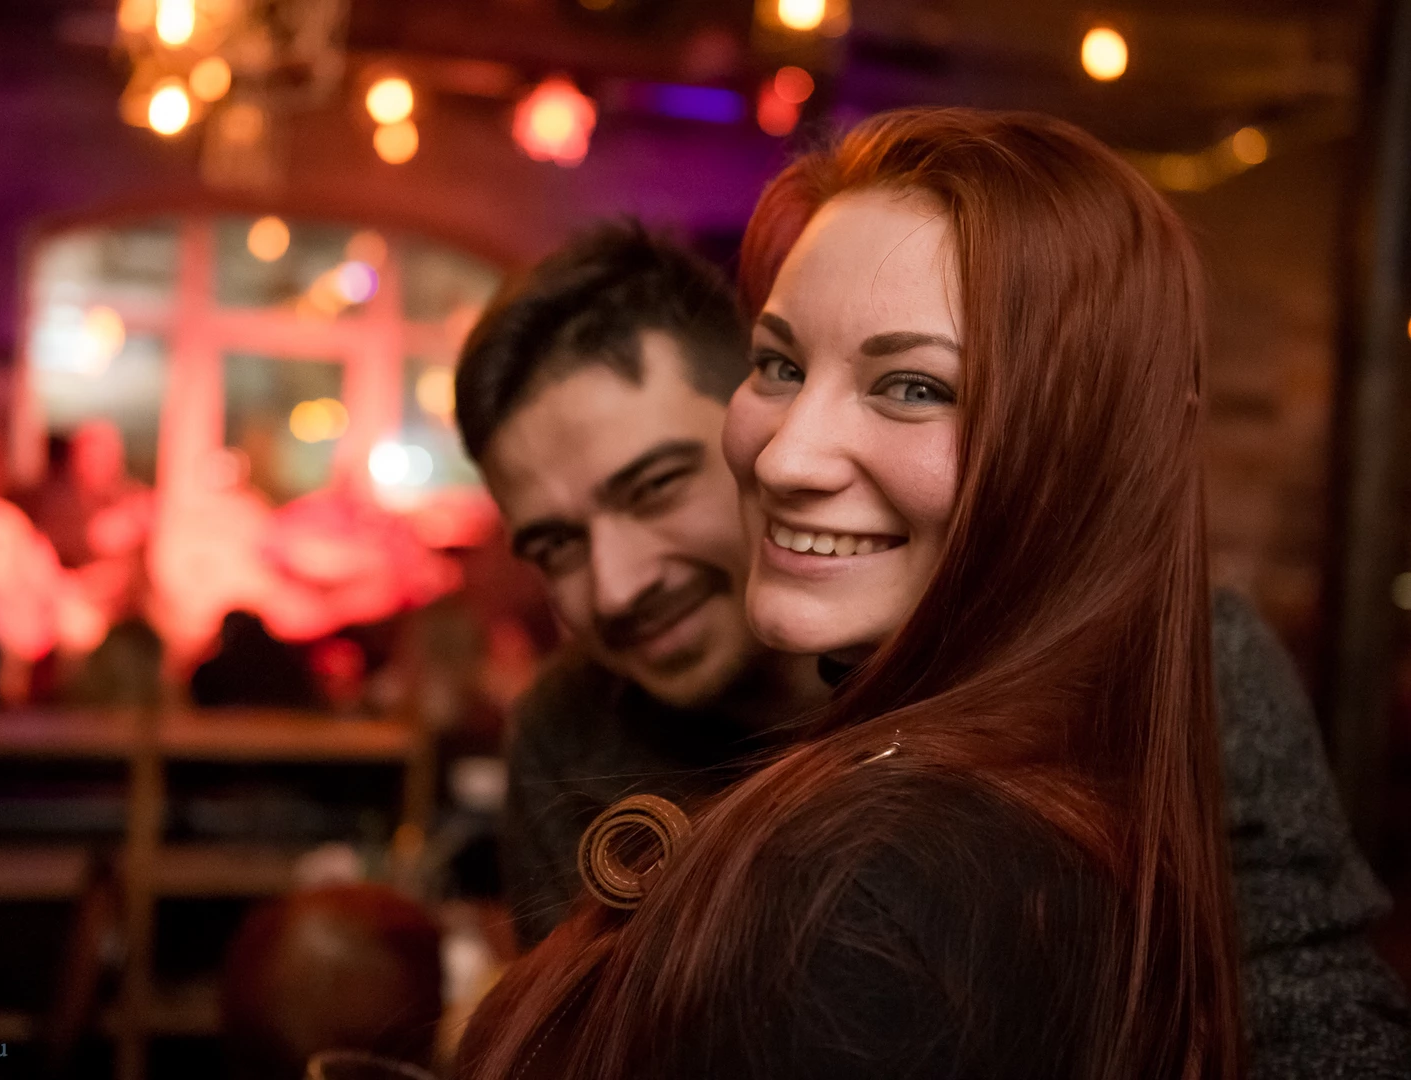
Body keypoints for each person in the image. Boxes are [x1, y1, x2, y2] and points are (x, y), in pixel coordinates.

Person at [453, 126, 1410, 1077]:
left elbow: (1309, 1007)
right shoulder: (571, 730)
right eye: (780, 367)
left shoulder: (1174, 661)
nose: (616, 586)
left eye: (657, 485)